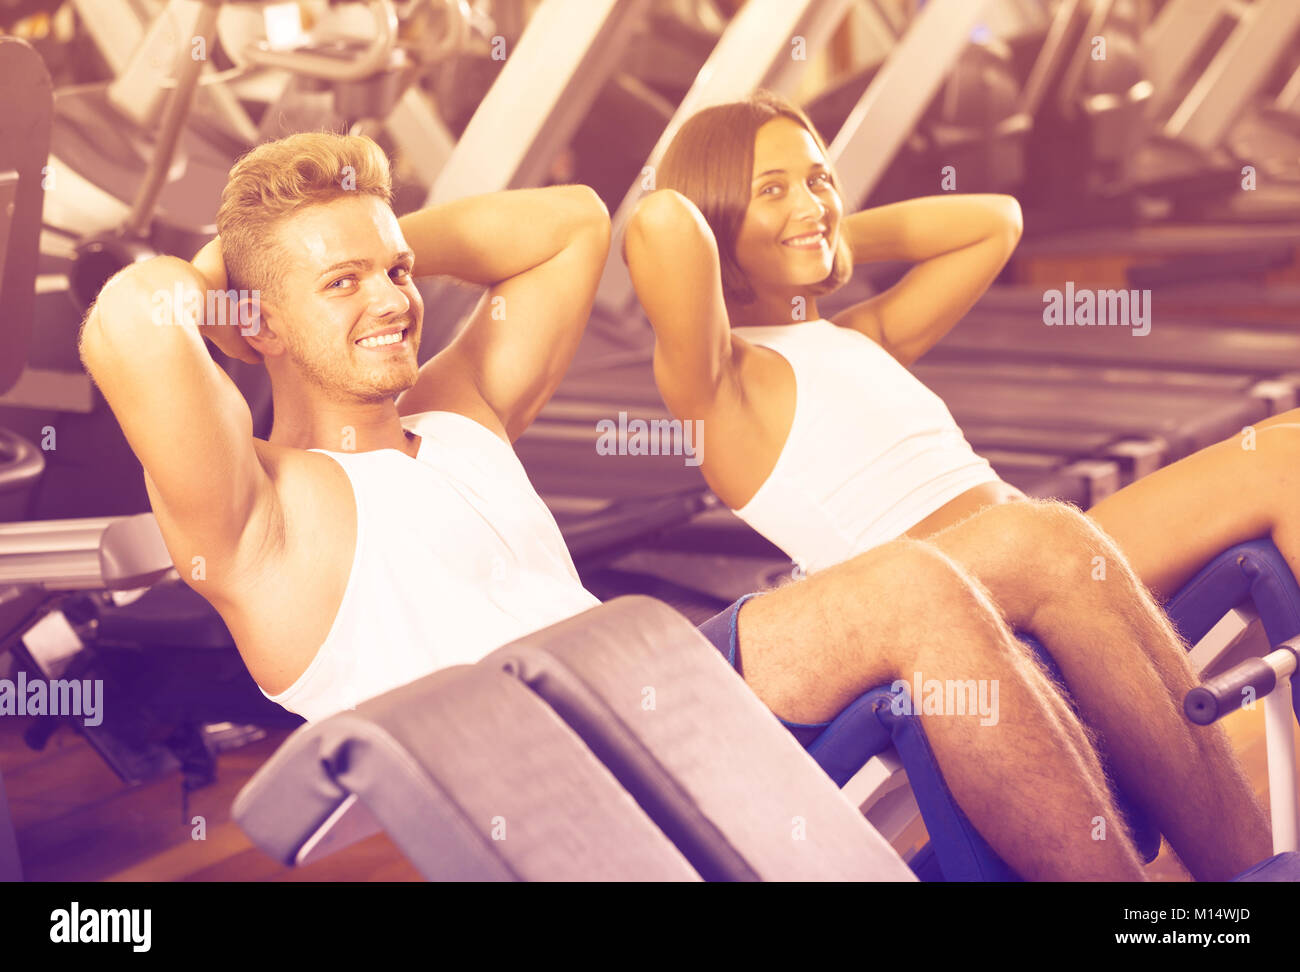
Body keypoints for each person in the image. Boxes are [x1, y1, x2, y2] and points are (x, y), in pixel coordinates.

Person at [79, 131, 1264, 882]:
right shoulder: (258, 517)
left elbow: (572, 223)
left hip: (659, 677)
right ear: (258, 327)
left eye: (395, 272)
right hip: (551, 754)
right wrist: (235, 272)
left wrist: (357, 232)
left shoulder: (457, 411)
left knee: (1041, 540)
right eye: (344, 286)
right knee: (915, 583)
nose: (393, 298)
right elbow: (132, 323)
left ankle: (1233, 883)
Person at [624, 93, 1282, 879]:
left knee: (1286, 452)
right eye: (772, 187)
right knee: (1046, 537)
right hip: (958, 607)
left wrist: (816, 229)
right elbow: (662, 223)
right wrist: (763, 227)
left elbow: (995, 222)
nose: (810, 200)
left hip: (1060, 560)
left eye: (820, 179)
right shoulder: (720, 386)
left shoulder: (860, 334)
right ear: (720, 215)